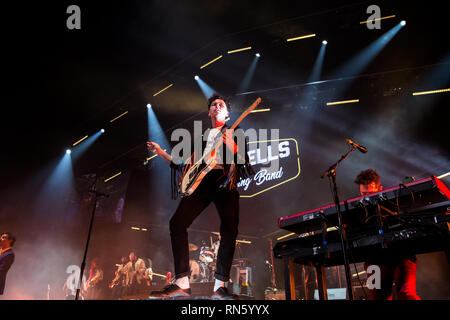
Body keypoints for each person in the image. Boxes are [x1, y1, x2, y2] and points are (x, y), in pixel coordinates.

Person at [147, 93, 254, 299]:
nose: (217, 106)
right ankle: (182, 283)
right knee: (177, 223)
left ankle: (219, 286)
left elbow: (243, 161)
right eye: (213, 104)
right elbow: (183, 165)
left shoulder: (235, 131)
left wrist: (231, 145)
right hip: (203, 182)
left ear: (227, 113)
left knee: (230, 229)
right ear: (209, 112)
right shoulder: (203, 137)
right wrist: (161, 152)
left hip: (224, 181)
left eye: (221, 104)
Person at [355, 169, 420, 300]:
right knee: (377, 298)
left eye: (370, 193)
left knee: (406, 294)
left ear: (380, 189)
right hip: (374, 261)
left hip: (402, 255)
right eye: (363, 193)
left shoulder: (394, 202)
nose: (366, 197)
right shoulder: (357, 211)